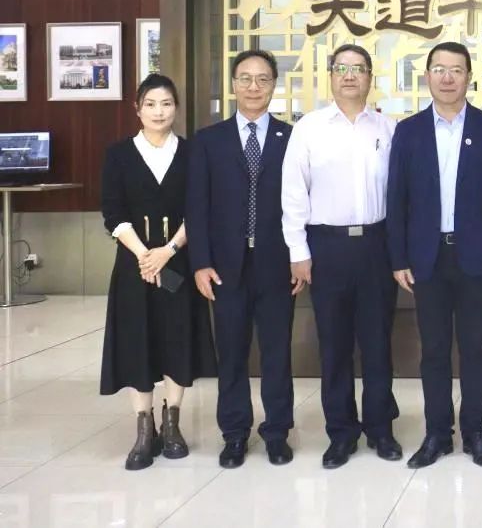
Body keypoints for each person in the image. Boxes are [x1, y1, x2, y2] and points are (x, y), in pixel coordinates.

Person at [387, 41, 482, 469]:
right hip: (427, 258)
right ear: (427, 76)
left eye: (456, 70)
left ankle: (476, 432)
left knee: (475, 348)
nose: (447, 77)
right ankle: (437, 433)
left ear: (468, 78)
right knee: (434, 350)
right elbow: (397, 198)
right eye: (439, 69)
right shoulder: (409, 131)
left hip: (476, 256)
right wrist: (398, 257)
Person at [282, 44, 401, 469]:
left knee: (377, 343)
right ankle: (341, 433)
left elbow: (401, 194)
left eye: (358, 68)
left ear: (370, 77)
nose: (350, 75)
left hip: (376, 245)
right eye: (341, 68)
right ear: (331, 76)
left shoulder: (388, 129)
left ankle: (380, 428)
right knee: (333, 345)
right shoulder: (309, 128)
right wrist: (298, 251)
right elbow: (294, 193)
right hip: (326, 246)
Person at [186, 49, 298, 468]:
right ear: (233, 85)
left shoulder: (292, 138)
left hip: (277, 264)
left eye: (263, 79)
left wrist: (300, 257)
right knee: (231, 353)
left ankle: (277, 432)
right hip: (225, 267)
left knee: (277, 352)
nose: (254, 87)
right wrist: (200, 262)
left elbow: (302, 203)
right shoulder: (208, 140)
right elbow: (196, 206)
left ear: (273, 86)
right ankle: (234, 433)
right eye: (246, 79)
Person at [99, 73, 217, 471]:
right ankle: (143, 428)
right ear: (137, 109)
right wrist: (144, 256)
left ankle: (172, 424)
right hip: (134, 265)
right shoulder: (118, 155)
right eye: (150, 104)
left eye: (166, 103)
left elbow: (199, 209)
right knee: (138, 342)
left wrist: (167, 251)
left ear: (176, 108)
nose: (158, 111)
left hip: (178, 261)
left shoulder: (192, 153)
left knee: (177, 340)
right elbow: (113, 213)